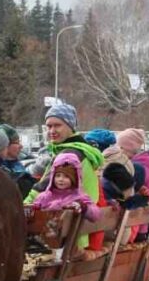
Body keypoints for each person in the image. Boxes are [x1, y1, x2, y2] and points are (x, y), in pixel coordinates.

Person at [25, 103, 106, 250]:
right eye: (48, 126)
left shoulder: (70, 154)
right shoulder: (80, 150)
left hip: (67, 235)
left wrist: (24, 206)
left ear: (71, 126)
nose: (52, 131)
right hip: (79, 228)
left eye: (57, 125)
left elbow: (45, 186)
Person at [31, 153, 102, 222]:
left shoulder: (79, 197)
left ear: (74, 179)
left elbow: (96, 214)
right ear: (52, 177)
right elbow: (33, 213)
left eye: (66, 176)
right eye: (58, 175)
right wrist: (34, 208)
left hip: (69, 233)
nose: (61, 179)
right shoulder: (44, 196)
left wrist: (84, 207)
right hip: (44, 231)